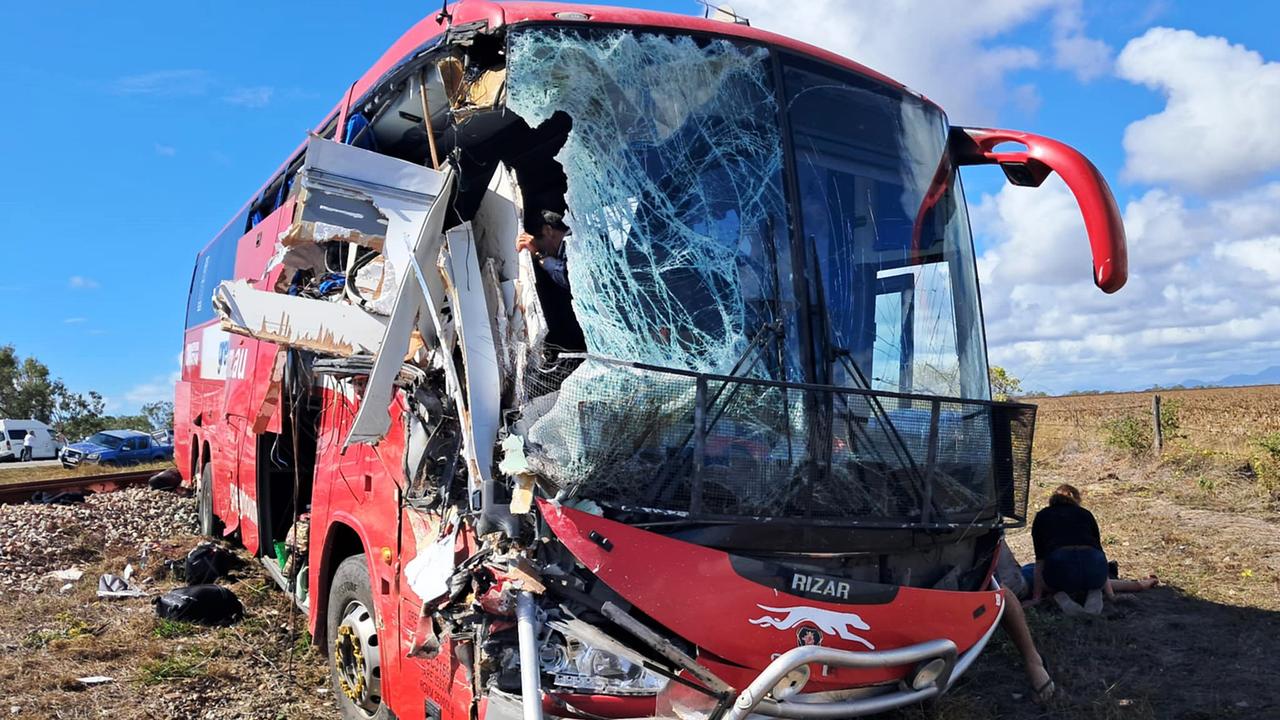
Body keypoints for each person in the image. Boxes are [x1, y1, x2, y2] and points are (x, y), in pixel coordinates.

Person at [1030, 483, 1157, 616]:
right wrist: (1111, 595)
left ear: (1052, 499)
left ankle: (1058, 595)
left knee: (1046, 579)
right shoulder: (1086, 514)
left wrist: (1036, 598)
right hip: (1094, 568)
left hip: (1062, 570)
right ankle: (1095, 592)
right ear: (1077, 500)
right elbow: (1099, 552)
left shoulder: (1042, 515)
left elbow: (1040, 561)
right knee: (1091, 575)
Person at [517, 209, 586, 353]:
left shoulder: (576, 243)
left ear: (548, 230)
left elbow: (571, 279)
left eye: (541, 245)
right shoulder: (565, 249)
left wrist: (539, 254)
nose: (545, 253)